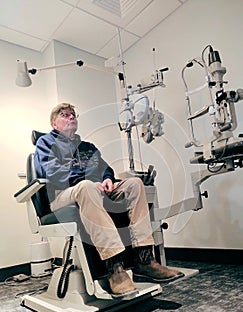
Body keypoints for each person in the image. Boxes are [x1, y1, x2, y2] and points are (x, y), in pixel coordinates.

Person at [34, 102, 184, 299]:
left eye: (73, 115)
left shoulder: (87, 147)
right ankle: (115, 267)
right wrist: (86, 179)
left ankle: (144, 260)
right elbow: (50, 174)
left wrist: (106, 179)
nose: (71, 117)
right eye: (65, 114)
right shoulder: (46, 143)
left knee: (134, 185)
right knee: (86, 187)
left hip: (92, 191)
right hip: (63, 195)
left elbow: (105, 168)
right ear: (54, 124)